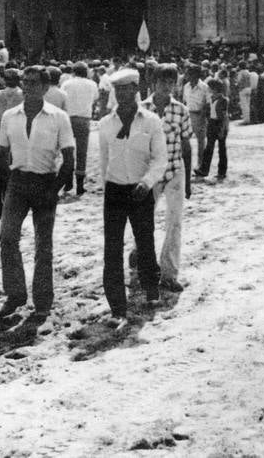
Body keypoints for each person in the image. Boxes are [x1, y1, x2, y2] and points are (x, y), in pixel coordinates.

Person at [0, 65, 74, 318]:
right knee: (7, 238)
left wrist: (55, 189)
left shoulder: (59, 117)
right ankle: (15, 294)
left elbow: (70, 159)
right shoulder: (9, 116)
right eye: (24, 82)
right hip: (16, 184)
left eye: (34, 83)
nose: (27, 87)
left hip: (45, 183)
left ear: (45, 87)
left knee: (43, 246)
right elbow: (2, 157)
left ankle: (42, 302)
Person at [96, 67, 167, 330]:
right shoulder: (105, 125)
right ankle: (117, 305)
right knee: (111, 249)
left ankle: (151, 289)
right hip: (115, 191)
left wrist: (147, 183)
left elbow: (160, 159)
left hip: (141, 190)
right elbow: (104, 161)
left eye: (127, 89)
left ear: (136, 90)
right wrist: (108, 186)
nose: (123, 94)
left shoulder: (151, 121)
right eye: (118, 90)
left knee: (145, 241)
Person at [139, 63, 193, 292]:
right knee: (143, 222)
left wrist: (188, 180)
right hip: (148, 175)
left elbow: (186, 145)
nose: (167, 86)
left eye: (172, 82)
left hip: (174, 172)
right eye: (163, 81)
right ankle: (142, 262)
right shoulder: (141, 110)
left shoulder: (181, 110)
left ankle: (169, 274)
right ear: (154, 82)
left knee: (174, 223)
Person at [60, 61, 98, 196]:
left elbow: (62, 99)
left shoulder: (66, 84)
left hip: (68, 118)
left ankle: (68, 181)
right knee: (82, 152)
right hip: (84, 119)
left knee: (67, 151)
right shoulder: (92, 84)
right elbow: (95, 99)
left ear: (73, 72)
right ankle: (80, 185)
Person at [196, 78, 229, 180]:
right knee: (209, 148)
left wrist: (222, 129)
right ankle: (204, 170)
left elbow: (224, 117)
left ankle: (222, 172)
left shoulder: (223, 100)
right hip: (212, 123)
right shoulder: (211, 99)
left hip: (219, 124)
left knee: (221, 149)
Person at [182, 64, 211, 160]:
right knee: (185, 140)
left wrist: (202, 116)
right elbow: (184, 101)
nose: (187, 76)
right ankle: (186, 162)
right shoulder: (186, 86)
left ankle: (201, 162)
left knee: (201, 142)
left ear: (196, 75)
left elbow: (208, 103)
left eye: (190, 74)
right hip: (188, 115)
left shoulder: (204, 87)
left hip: (200, 115)